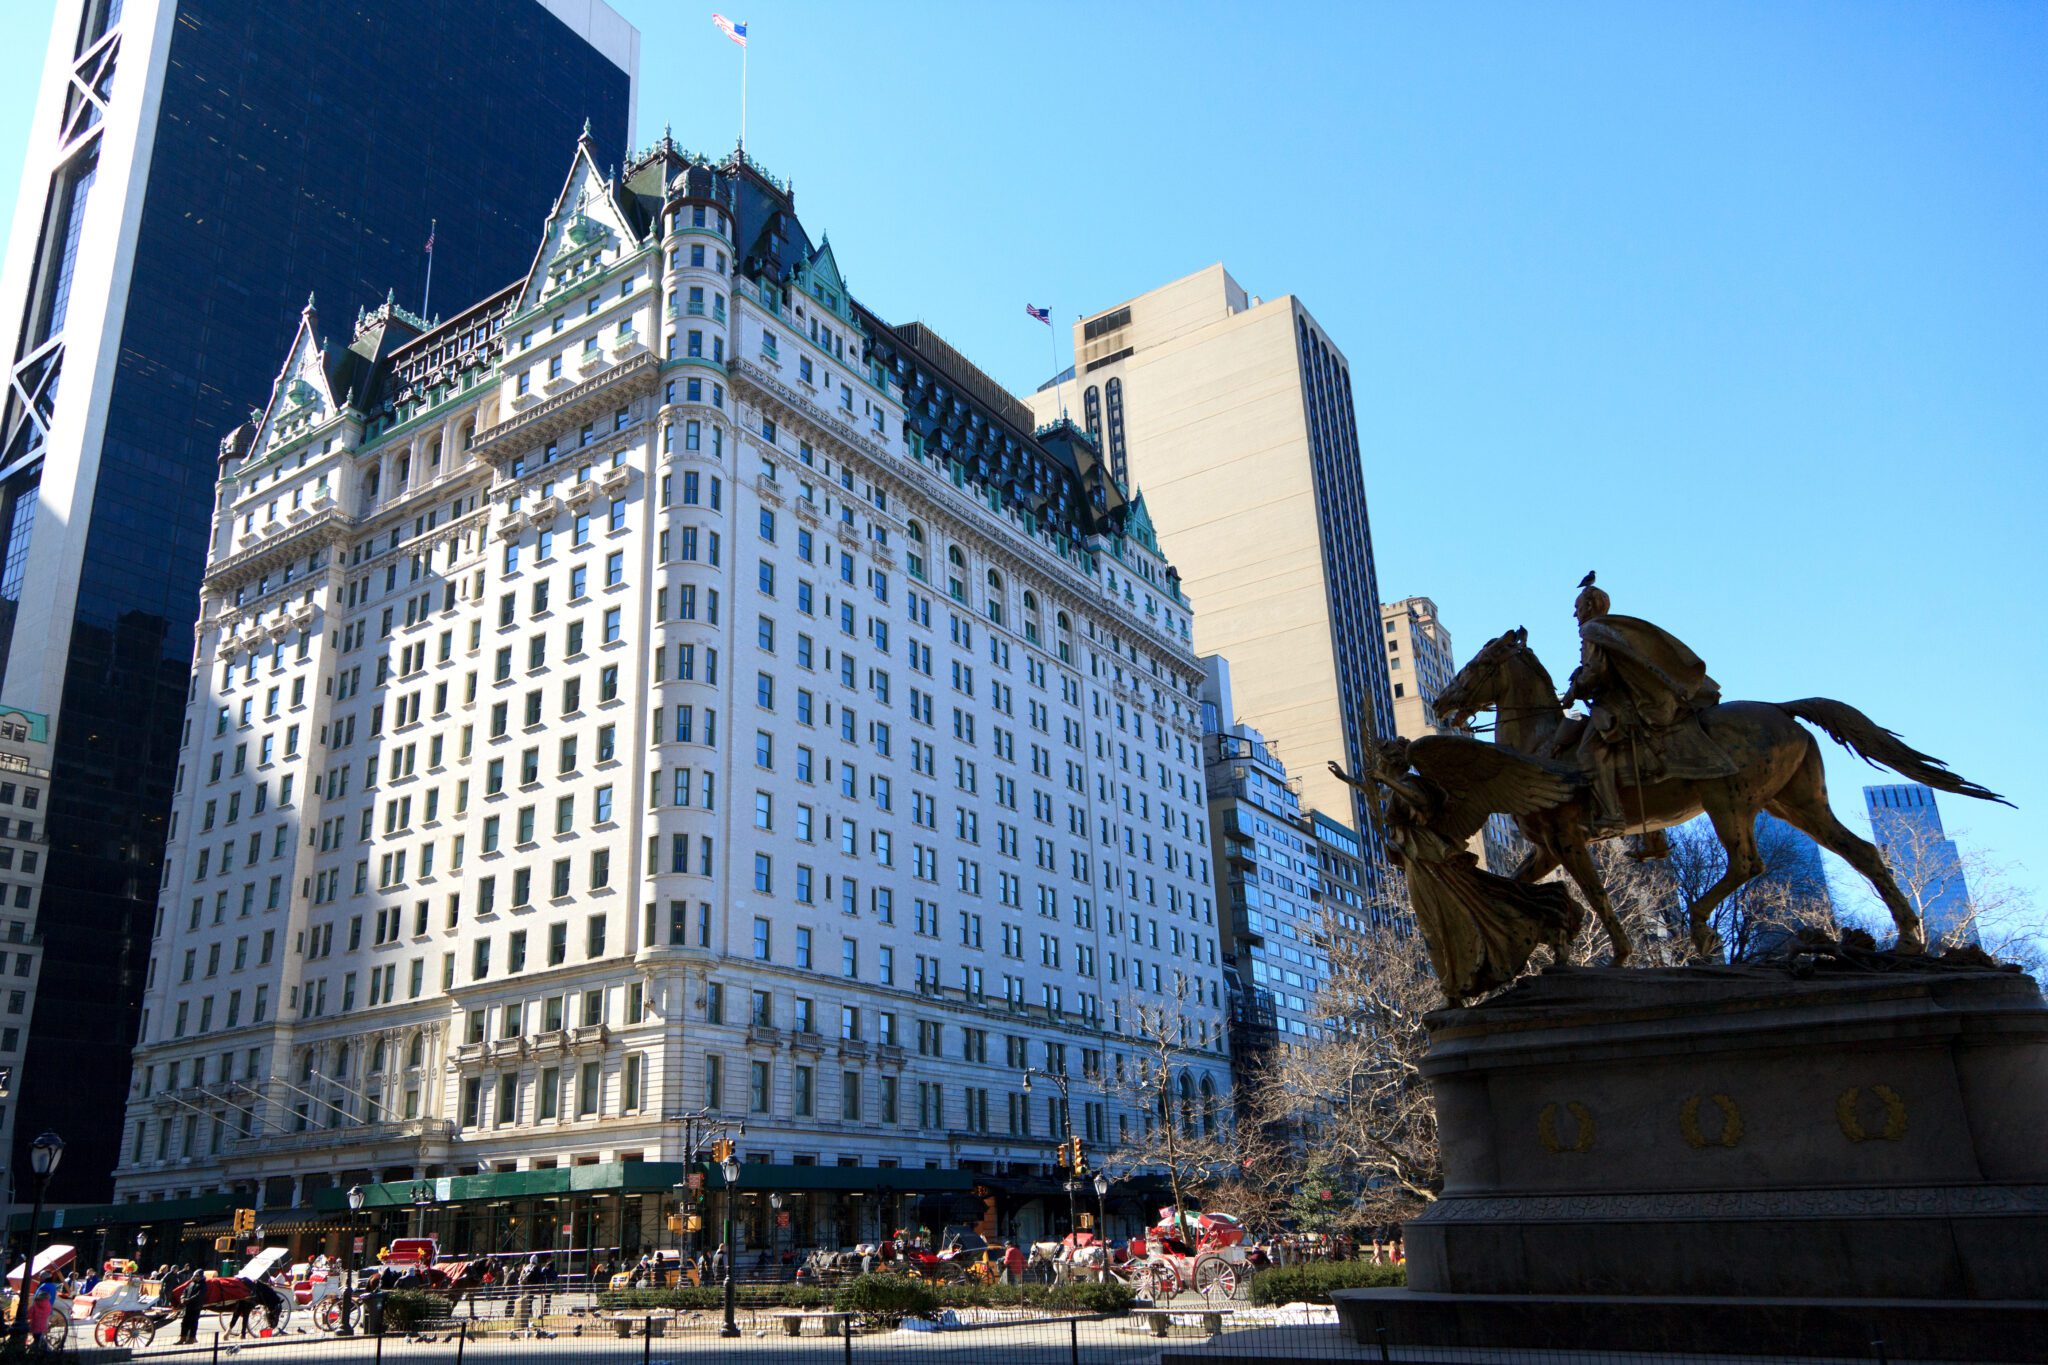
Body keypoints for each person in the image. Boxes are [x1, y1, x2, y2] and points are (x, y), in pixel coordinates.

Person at [1557, 573, 1732, 835]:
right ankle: (1653, 836)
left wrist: (1574, 690)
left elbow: (1596, 671)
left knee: (1588, 752)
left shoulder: (1593, 629)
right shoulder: (1611, 629)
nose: (1574, 615)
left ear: (1590, 607)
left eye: (1577, 608)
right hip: (1626, 698)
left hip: (1619, 704)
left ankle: (1611, 815)